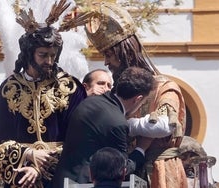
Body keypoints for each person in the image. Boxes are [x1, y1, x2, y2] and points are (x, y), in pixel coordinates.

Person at [63, 3, 188, 188]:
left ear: (125, 52)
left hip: (158, 172)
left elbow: (165, 125)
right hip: (122, 173)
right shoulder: (113, 95)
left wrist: (128, 126)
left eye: (109, 55)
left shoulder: (164, 87)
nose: (106, 62)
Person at [0, 1, 87, 188]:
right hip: (20, 179)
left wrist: (40, 167)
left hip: (59, 178)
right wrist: (27, 155)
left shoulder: (70, 88)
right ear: (29, 53)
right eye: (43, 54)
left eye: (53, 55)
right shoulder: (9, 89)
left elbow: (81, 142)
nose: (49, 61)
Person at [52, 66, 156, 188]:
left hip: (62, 179)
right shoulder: (117, 122)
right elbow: (121, 168)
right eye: (143, 102)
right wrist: (141, 149)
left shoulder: (90, 101)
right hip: (83, 183)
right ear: (138, 99)